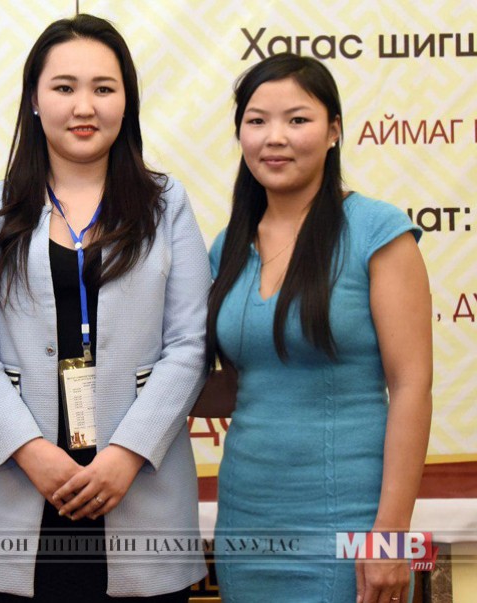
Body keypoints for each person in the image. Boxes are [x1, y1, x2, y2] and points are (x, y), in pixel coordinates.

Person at [0, 14, 210, 602]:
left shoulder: (167, 204)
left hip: (140, 486)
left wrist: (127, 454)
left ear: (127, 101)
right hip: (22, 486)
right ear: (34, 100)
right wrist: (32, 452)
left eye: (104, 88)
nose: (84, 106)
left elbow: (190, 345)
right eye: (64, 87)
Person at [206, 53, 432, 603]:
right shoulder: (227, 246)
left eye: (297, 119)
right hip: (246, 521)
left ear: (333, 131)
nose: (275, 137)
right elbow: (238, 386)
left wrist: (390, 536)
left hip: (348, 519)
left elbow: (412, 386)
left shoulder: (377, 230)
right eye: (257, 121)